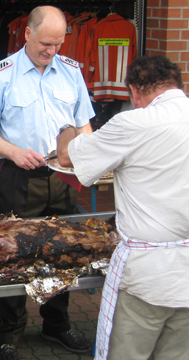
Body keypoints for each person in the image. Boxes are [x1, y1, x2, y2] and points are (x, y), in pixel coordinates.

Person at [0, 6, 95, 360]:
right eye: (45, 43)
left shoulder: (71, 72)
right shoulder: (1, 73)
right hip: (19, 175)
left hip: (63, 176)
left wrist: (83, 153)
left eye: (58, 44)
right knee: (14, 254)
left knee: (62, 253)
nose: (51, 51)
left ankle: (56, 324)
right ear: (26, 33)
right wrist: (13, 152)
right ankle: (9, 333)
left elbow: (84, 123)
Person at [56, 55, 189, 360]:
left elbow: (65, 157)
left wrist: (66, 127)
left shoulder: (134, 122)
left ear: (134, 91)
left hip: (149, 276)